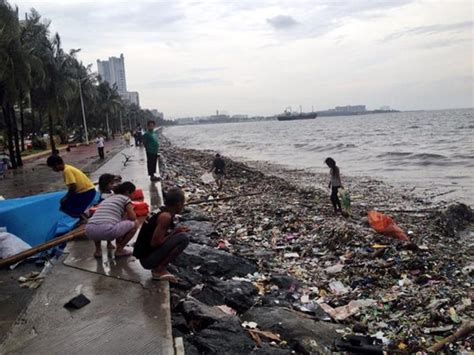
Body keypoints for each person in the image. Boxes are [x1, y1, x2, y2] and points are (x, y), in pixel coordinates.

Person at [133, 187, 190, 282]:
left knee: (179, 235)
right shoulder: (165, 217)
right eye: (183, 204)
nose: (183, 206)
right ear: (178, 204)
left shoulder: (160, 210)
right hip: (148, 260)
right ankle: (158, 270)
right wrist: (175, 232)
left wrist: (175, 231)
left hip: (145, 255)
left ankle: (159, 266)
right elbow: (155, 243)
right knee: (183, 238)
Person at [86, 182, 139, 258]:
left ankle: (98, 251)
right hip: (107, 230)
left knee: (100, 223)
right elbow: (132, 217)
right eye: (134, 192)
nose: (135, 195)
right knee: (135, 223)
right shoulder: (126, 199)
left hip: (89, 230)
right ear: (128, 192)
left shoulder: (108, 199)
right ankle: (120, 250)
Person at [46, 155, 96, 221]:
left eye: (53, 167)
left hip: (86, 192)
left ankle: (84, 218)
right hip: (87, 191)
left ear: (56, 164)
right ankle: (82, 216)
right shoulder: (68, 167)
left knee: (65, 205)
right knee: (71, 204)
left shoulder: (67, 171)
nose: (53, 170)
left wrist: (66, 197)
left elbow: (73, 186)